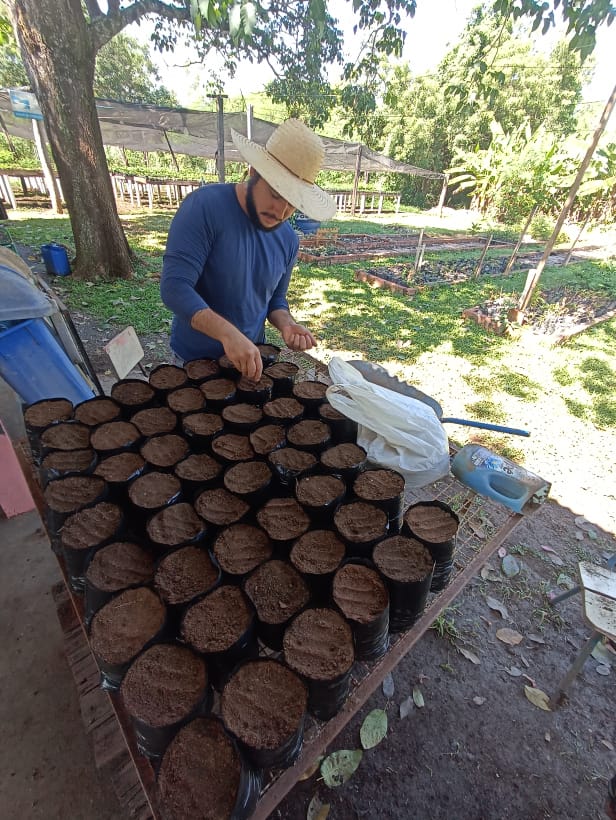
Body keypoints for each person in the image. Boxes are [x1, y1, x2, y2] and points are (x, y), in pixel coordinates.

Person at [160, 118, 336, 381]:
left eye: (293, 204)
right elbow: (174, 288)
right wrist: (228, 334)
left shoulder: (289, 239)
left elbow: (275, 300)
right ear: (253, 172)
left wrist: (286, 324)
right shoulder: (204, 207)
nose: (281, 212)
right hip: (194, 365)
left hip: (250, 363)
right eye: (276, 194)